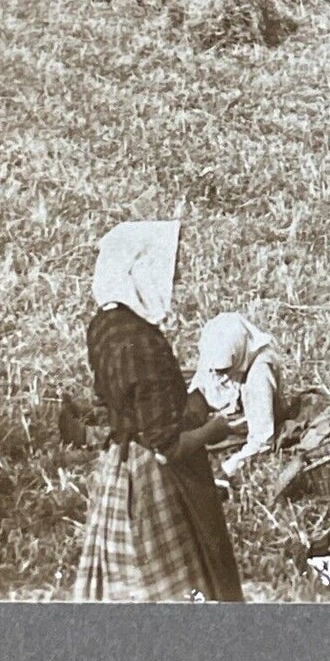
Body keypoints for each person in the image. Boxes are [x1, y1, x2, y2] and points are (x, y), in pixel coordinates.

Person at [74, 223, 244, 602]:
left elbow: (125, 395)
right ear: (138, 275)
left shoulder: (105, 325)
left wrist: (182, 393)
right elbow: (167, 445)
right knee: (176, 583)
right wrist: (215, 429)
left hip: (119, 466)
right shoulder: (141, 343)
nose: (175, 277)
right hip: (154, 478)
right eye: (166, 269)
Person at [189, 312, 287, 479]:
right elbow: (201, 384)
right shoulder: (216, 348)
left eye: (221, 371)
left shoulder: (259, 372)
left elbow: (262, 441)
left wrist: (228, 469)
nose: (215, 374)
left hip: (243, 421)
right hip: (222, 412)